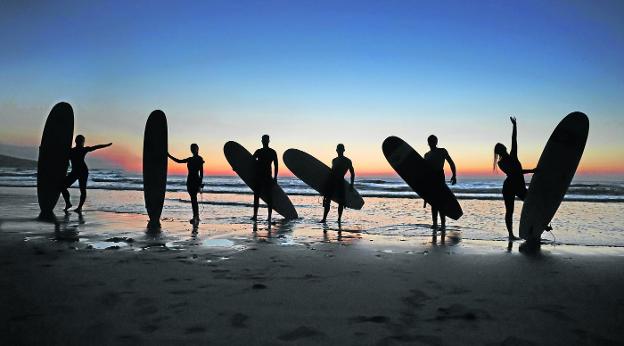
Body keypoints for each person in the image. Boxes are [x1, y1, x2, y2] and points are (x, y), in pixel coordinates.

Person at [494, 117, 537, 240]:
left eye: (504, 149)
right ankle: (511, 235)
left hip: (518, 186)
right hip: (510, 187)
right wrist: (532, 170)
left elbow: (514, 139)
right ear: (500, 152)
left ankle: (538, 226)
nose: (505, 151)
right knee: (510, 211)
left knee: (531, 205)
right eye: (502, 150)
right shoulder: (501, 163)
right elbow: (516, 173)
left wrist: (514, 125)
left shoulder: (513, 154)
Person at [61, 135, 112, 213]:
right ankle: (69, 204)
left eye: (82, 141)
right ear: (78, 141)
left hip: (81, 172)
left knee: (80, 189)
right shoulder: (76, 150)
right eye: (81, 141)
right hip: (77, 172)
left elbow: (96, 147)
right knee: (63, 187)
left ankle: (79, 207)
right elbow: (96, 147)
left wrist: (106, 145)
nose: (82, 142)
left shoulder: (73, 150)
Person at [424, 135, 457, 230]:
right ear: (428, 142)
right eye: (430, 141)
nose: (431, 143)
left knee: (441, 201)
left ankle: (443, 224)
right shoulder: (426, 155)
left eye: (433, 141)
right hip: (430, 179)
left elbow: (451, 162)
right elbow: (424, 171)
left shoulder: (442, 151)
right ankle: (434, 224)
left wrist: (454, 175)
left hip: (439, 176)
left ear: (436, 142)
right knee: (433, 202)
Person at [168, 144, 204, 224]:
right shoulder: (190, 159)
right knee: (193, 199)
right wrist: (169, 155)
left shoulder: (199, 159)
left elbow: (201, 173)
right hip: (189, 181)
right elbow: (178, 161)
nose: (193, 150)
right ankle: (196, 216)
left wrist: (200, 183)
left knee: (194, 199)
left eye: (194, 148)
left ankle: (196, 217)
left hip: (195, 180)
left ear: (198, 149)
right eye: (192, 149)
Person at [321, 144, 354, 224]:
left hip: (340, 182)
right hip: (331, 182)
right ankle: (324, 219)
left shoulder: (347, 161)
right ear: (336, 150)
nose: (339, 150)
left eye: (340, 149)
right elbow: (331, 172)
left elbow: (352, 173)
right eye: (338, 149)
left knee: (341, 202)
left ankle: (339, 219)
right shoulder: (334, 160)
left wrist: (351, 184)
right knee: (327, 200)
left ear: (343, 150)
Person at [251, 135, 278, 223]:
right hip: (260, 177)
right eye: (264, 140)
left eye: (265, 140)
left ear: (268, 141)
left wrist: (275, 177)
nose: (264, 141)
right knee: (257, 197)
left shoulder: (271, 152)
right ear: (262, 141)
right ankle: (255, 216)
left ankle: (268, 216)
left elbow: (276, 165)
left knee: (268, 197)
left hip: (266, 177)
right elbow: (250, 161)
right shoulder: (260, 151)